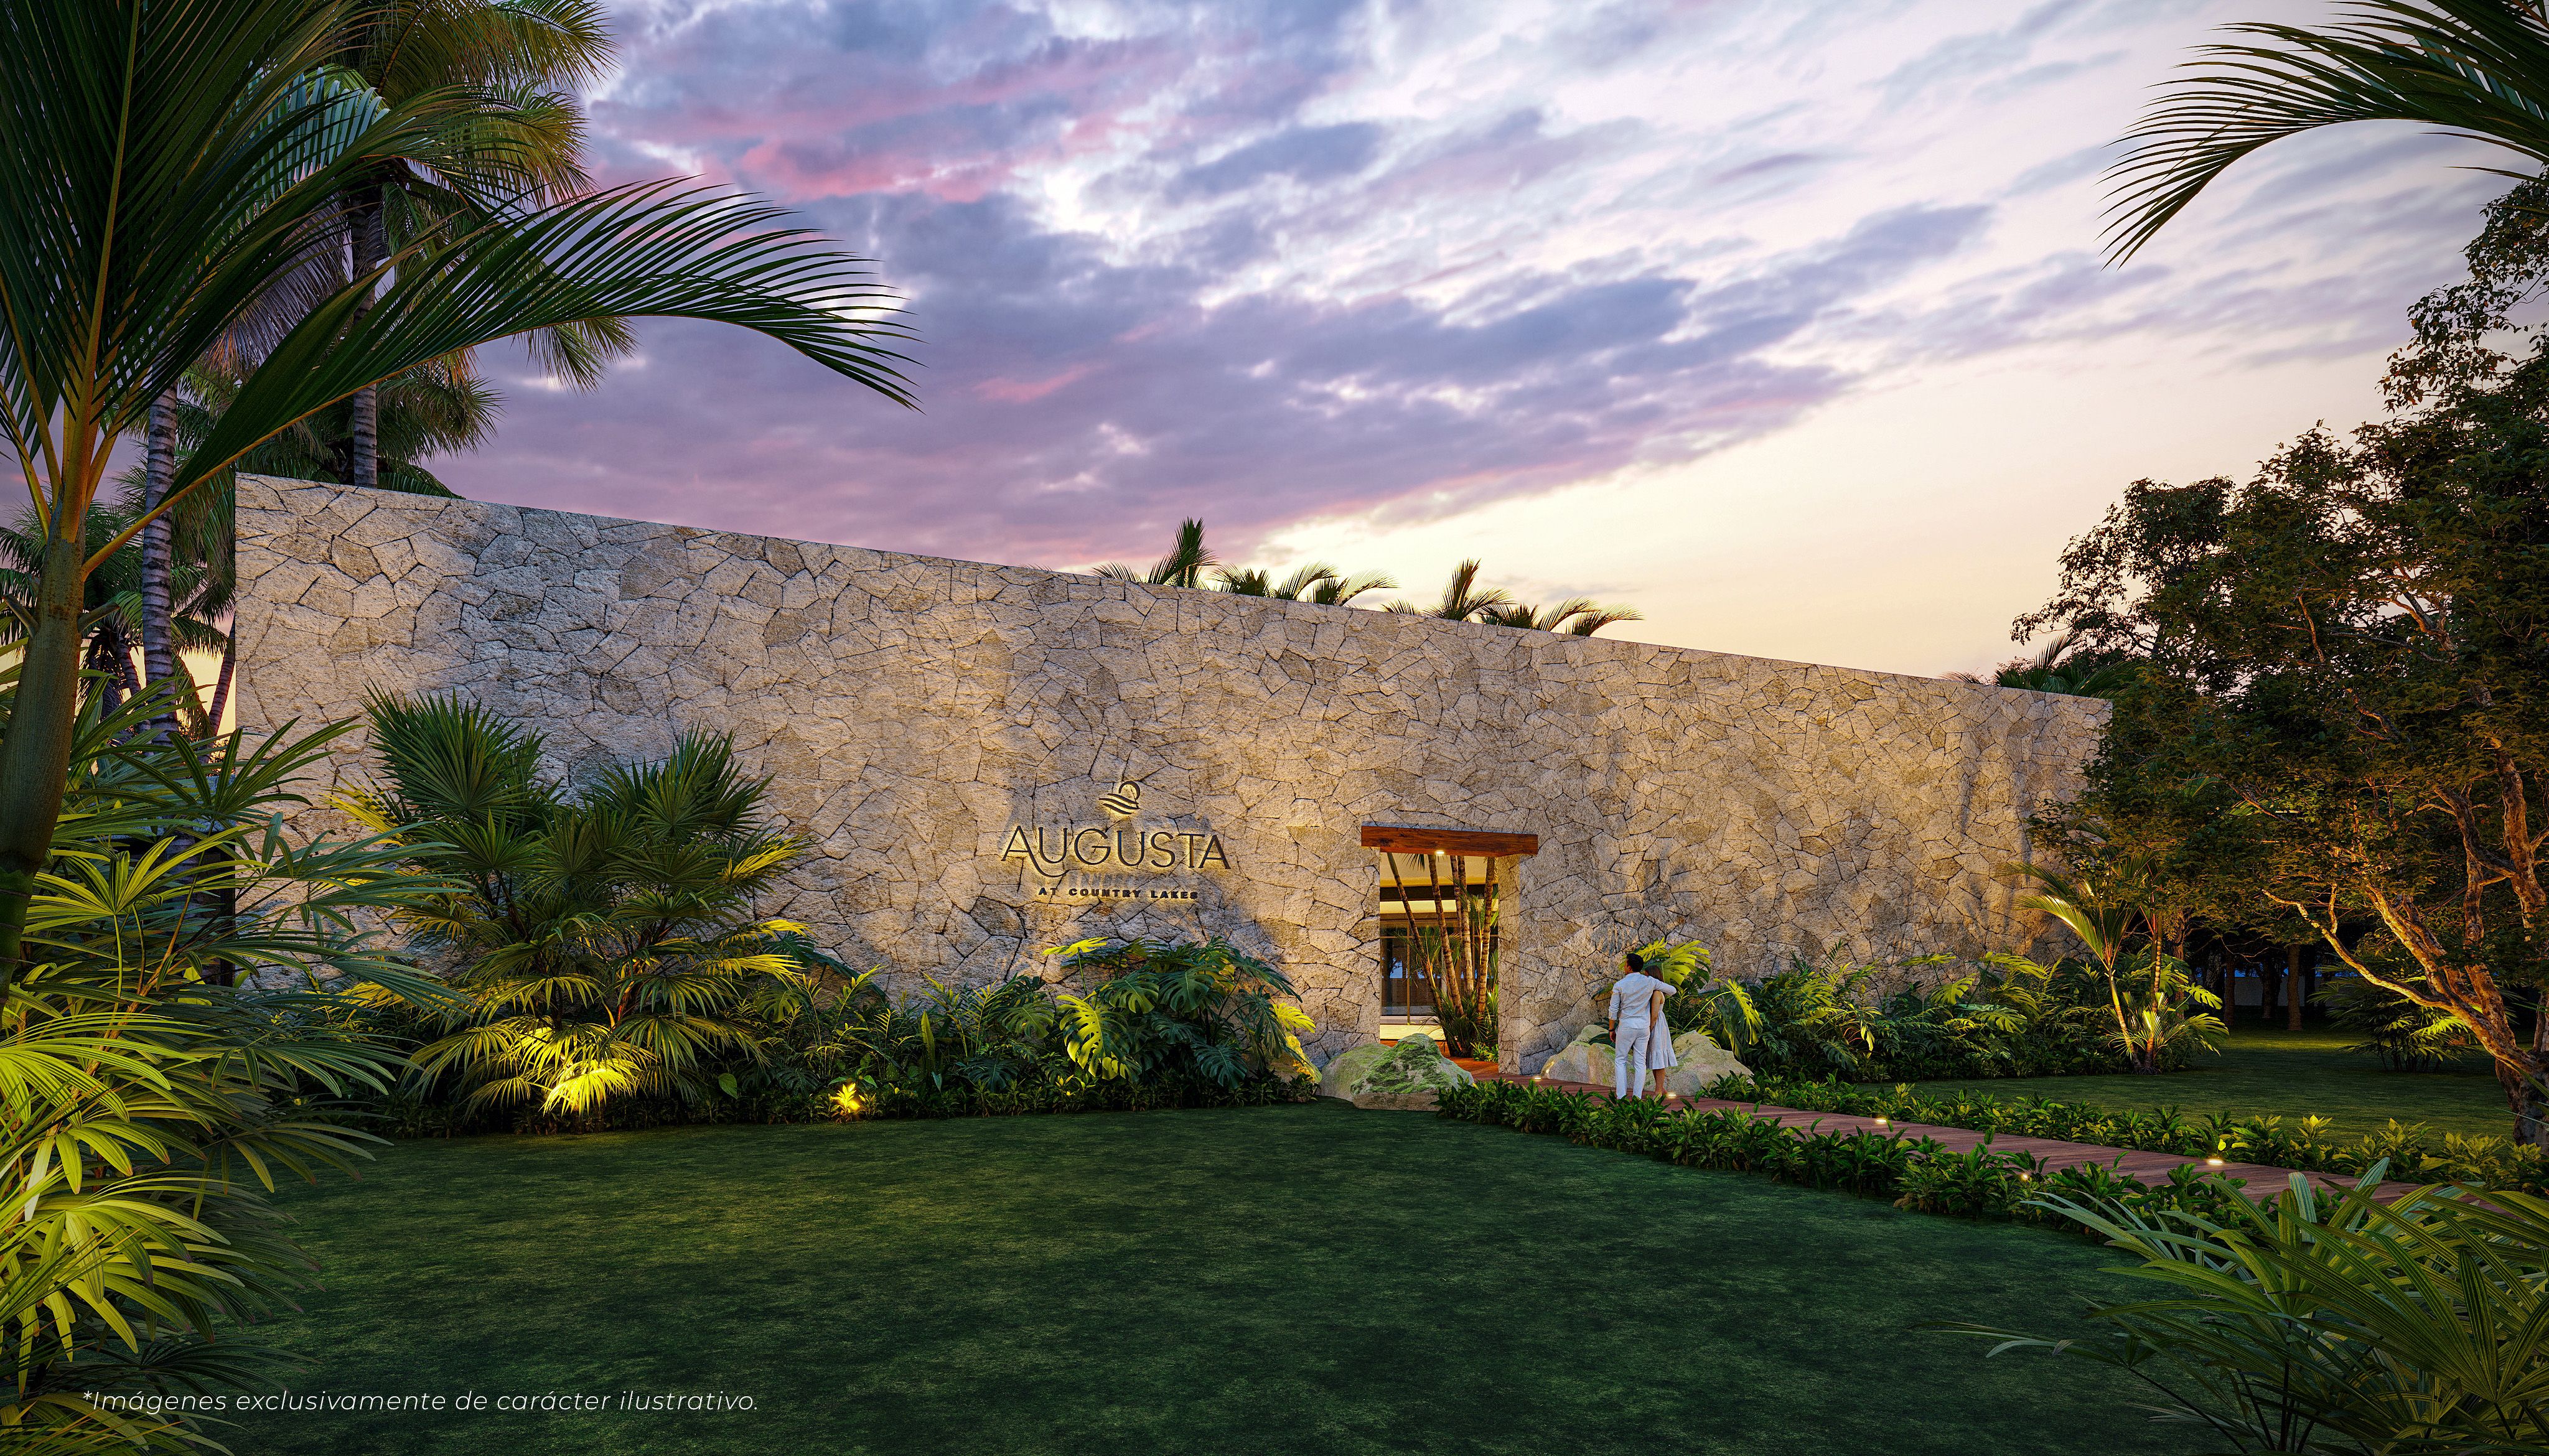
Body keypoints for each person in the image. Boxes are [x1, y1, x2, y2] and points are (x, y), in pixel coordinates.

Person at [1606, 950, 1676, 1099]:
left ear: (1629, 967)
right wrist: (1657, 990)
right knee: (1640, 1063)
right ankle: (1637, 1098)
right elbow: (1673, 990)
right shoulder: (1650, 981)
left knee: (1620, 1060)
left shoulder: (1620, 985)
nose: (1624, 967)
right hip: (1644, 1028)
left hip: (1626, 1026)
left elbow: (1613, 1010)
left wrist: (1612, 1029)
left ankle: (1622, 1097)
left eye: (1625, 964)